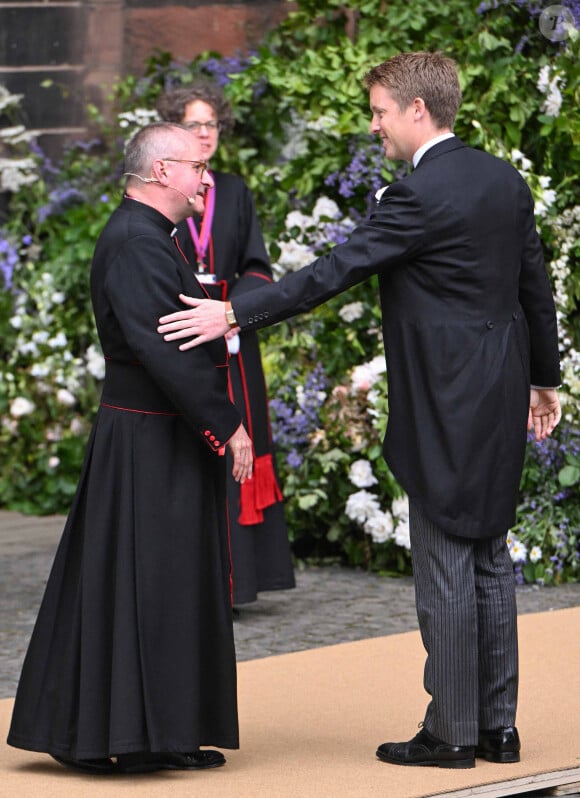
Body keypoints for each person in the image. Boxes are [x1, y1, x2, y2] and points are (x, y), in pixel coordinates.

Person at [156, 52, 562, 769]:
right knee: (490, 553)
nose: (373, 124)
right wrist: (543, 379)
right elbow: (533, 281)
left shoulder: (419, 195)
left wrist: (233, 313)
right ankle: (499, 726)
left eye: (379, 111)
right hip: (500, 386)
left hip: (444, 393)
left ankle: (452, 733)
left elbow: (331, 273)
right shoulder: (503, 179)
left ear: (416, 111)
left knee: (444, 554)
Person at [7, 122, 253, 775]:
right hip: (146, 438)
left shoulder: (149, 237)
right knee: (143, 584)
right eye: (198, 166)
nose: (207, 178)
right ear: (161, 172)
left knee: (171, 585)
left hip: (159, 432)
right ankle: (113, 733)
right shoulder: (135, 244)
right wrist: (229, 424)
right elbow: (167, 351)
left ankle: (166, 728)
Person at [156, 82, 295, 608]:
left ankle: (240, 583)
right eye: (193, 124)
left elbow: (258, 265)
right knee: (194, 444)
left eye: (211, 123)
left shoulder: (234, 190)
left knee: (245, 444)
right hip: (182, 330)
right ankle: (192, 584)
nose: (205, 133)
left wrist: (237, 313)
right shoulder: (162, 186)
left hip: (234, 334)